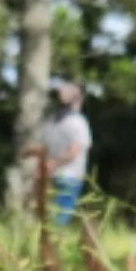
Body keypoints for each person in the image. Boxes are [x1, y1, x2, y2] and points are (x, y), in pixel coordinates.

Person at [41, 82, 91, 225]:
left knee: (48, 216)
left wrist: (48, 166)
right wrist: (55, 163)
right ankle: (53, 244)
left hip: (51, 176)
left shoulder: (50, 122)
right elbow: (74, 150)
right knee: (59, 219)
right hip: (70, 176)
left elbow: (45, 148)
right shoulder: (78, 122)